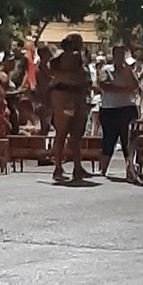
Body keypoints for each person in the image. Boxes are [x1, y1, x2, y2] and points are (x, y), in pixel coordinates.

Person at [49, 33, 93, 181]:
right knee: (67, 135)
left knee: (69, 135)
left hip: (71, 98)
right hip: (68, 97)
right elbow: (76, 76)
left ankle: (71, 167)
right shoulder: (72, 57)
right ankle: (61, 168)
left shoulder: (62, 60)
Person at [98, 45, 140, 179]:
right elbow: (104, 85)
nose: (120, 58)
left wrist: (127, 71)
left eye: (122, 55)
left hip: (127, 108)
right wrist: (123, 89)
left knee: (127, 140)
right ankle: (103, 169)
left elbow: (135, 85)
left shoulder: (128, 70)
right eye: (118, 54)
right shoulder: (106, 69)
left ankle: (130, 169)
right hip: (109, 109)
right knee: (108, 140)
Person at [33, 45, 54, 136]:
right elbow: (41, 85)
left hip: (50, 99)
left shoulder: (49, 68)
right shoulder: (38, 69)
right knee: (44, 126)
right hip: (42, 100)